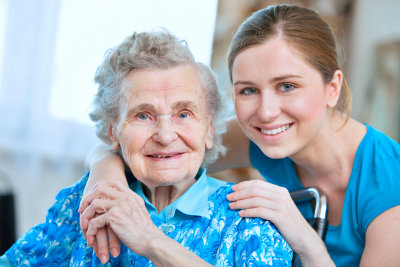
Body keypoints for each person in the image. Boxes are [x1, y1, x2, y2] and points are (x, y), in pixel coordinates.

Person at [80, 4, 400, 267]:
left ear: (332, 88)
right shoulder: (257, 135)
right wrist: (105, 182)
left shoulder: (388, 185)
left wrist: (306, 241)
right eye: (248, 90)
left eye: (287, 86)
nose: (266, 111)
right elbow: (142, 145)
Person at [0, 31, 292, 266]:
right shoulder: (88, 200)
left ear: (209, 129)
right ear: (113, 132)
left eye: (183, 114)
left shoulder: (249, 219)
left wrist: (151, 241)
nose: (165, 136)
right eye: (143, 115)